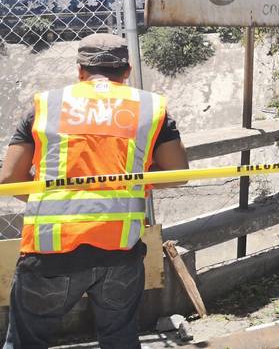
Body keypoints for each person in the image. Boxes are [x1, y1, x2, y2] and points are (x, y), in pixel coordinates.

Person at [0, 33, 189, 349]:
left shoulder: (47, 105)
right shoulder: (150, 107)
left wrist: (53, 200)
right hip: (119, 251)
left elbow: (9, 177)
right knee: (119, 340)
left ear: (79, 70)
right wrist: (129, 184)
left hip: (50, 255)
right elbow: (177, 173)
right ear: (127, 71)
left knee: (25, 342)